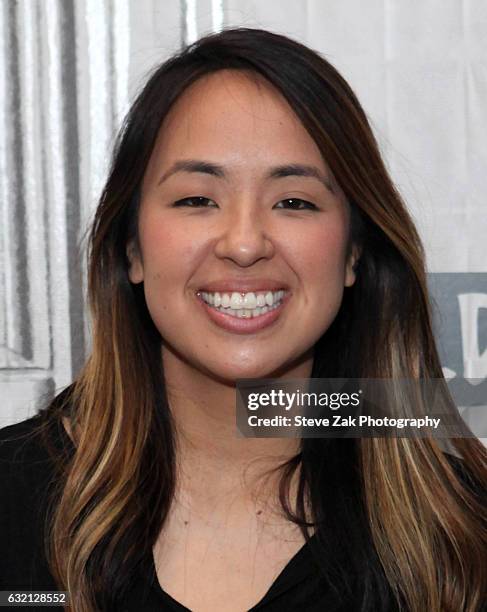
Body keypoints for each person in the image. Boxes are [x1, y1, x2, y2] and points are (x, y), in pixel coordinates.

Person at [1, 27, 486, 612]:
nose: (245, 243)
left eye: (294, 202)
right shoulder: (11, 498)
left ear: (354, 253)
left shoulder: (464, 530)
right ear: (131, 248)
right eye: (197, 199)